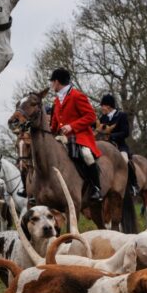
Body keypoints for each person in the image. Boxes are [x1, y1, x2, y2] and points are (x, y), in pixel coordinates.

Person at [48, 68, 103, 201]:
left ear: (56, 82)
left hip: (80, 136)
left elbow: (91, 116)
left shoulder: (77, 95)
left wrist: (72, 126)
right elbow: (54, 125)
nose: (51, 85)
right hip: (62, 137)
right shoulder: (56, 100)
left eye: (52, 82)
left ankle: (96, 188)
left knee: (86, 155)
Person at [97, 94, 138, 195]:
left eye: (103, 106)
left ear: (109, 106)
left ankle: (133, 185)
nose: (101, 108)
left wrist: (111, 136)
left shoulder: (121, 116)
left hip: (119, 146)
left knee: (125, 159)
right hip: (106, 148)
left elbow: (125, 132)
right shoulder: (102, 118)